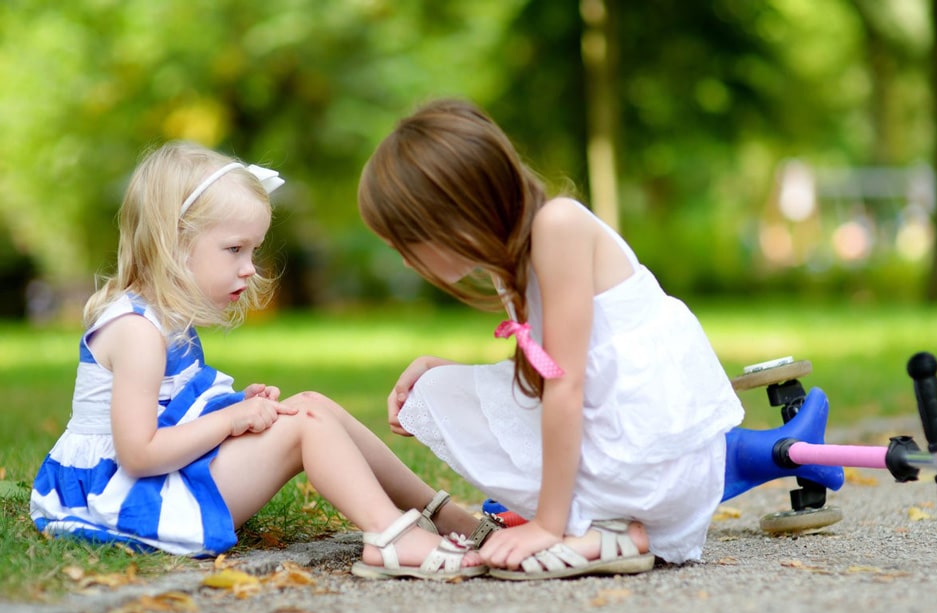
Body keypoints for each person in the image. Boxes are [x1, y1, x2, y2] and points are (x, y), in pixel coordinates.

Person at [29, 140, 486, 581]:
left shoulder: (164, 321)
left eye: (253, 249)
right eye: (234, 249)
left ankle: (448, 517)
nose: (250, 267)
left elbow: (168, 414)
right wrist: (230, 422)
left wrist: (232, 408)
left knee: (312, 403)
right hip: (130, 498)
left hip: (162, 481)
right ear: (173, 243)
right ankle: (390, 535)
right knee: (305, 422)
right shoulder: (137, 331)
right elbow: (139, 453)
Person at [357, 99, 745, 580]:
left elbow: (566, 385)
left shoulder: (557, 226)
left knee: (469, 399)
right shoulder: (514, 256)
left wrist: (545, 524)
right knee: (434, 391)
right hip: (625, 442)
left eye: (406, 244)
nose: (406, 263)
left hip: (653, 465)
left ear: (451, 217)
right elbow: (551, 372)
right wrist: (441, 367)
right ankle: (599, 526)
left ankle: (602, 529)